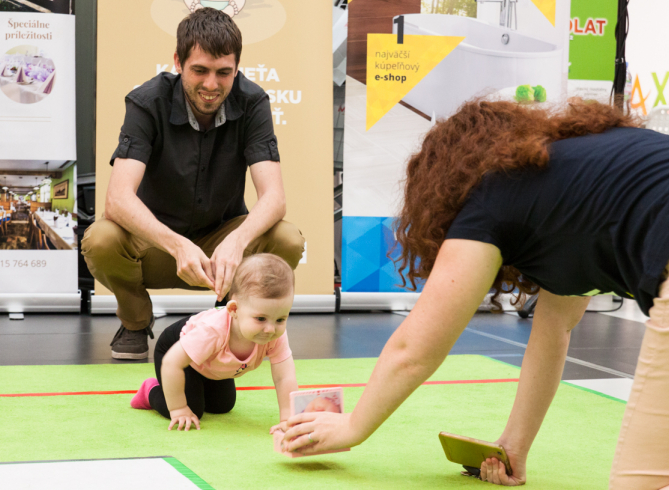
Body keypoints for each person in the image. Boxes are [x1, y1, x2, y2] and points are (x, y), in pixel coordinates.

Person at [282, 99, 669, 489]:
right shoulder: (576, 180)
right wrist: (514, 447)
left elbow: (414, 351)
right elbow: (555, 330)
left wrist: (352, 426)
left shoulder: (492, 197)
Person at [81, 8, 305, 361]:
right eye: (200, 70)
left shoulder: (253, 101)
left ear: (237, 66)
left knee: (288, 238)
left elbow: (274, 198)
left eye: (224, 72)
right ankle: (136, 321)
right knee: (101, 238)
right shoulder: (146, 101)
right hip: (155, 246)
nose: (212, 84)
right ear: (177, 62)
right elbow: (118, 200)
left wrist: (236, 242)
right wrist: (177, 245)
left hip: (221, 246)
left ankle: (229, 317)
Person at [130, 253, 298, 433]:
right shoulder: (212, 331)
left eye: (281, 319)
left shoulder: (273, 335)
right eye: (261, 318)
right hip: (175, 351)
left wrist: (288, 419)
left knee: (222, 405)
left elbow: (284, 377)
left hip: (209, 360)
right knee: (192, 409)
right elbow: (172, 362)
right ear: (234, 309)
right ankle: (151, 390)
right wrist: (178, 409)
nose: (270, 329)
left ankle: (196, 384)